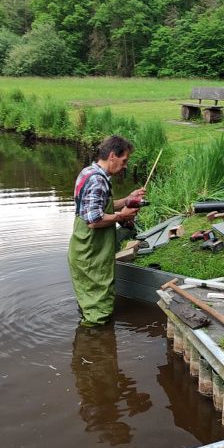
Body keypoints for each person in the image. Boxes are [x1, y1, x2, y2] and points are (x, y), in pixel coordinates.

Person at [68, 135, 146, 325]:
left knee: (89, 301)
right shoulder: (98, 181)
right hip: (92, 251)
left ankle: (87, 345)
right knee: (98, 311)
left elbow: (99, 207)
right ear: (112, 156)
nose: (125, 165)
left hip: (82, 248)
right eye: (124, 160)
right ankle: (97, 347)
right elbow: (94, 220)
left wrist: (127, 199)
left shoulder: (89, 172)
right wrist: (123, 215)